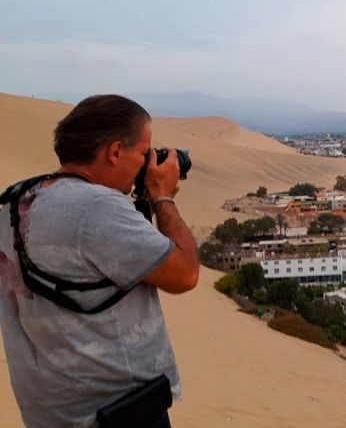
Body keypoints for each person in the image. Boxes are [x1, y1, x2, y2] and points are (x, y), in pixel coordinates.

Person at [0, 95, 199, 427]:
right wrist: (162, 195)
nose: (147, 163)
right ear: (115, 152)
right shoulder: (98, 208)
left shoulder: (14, 203)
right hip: (121, 413)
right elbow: (186, 273)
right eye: (143, 153)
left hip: (52, 415)